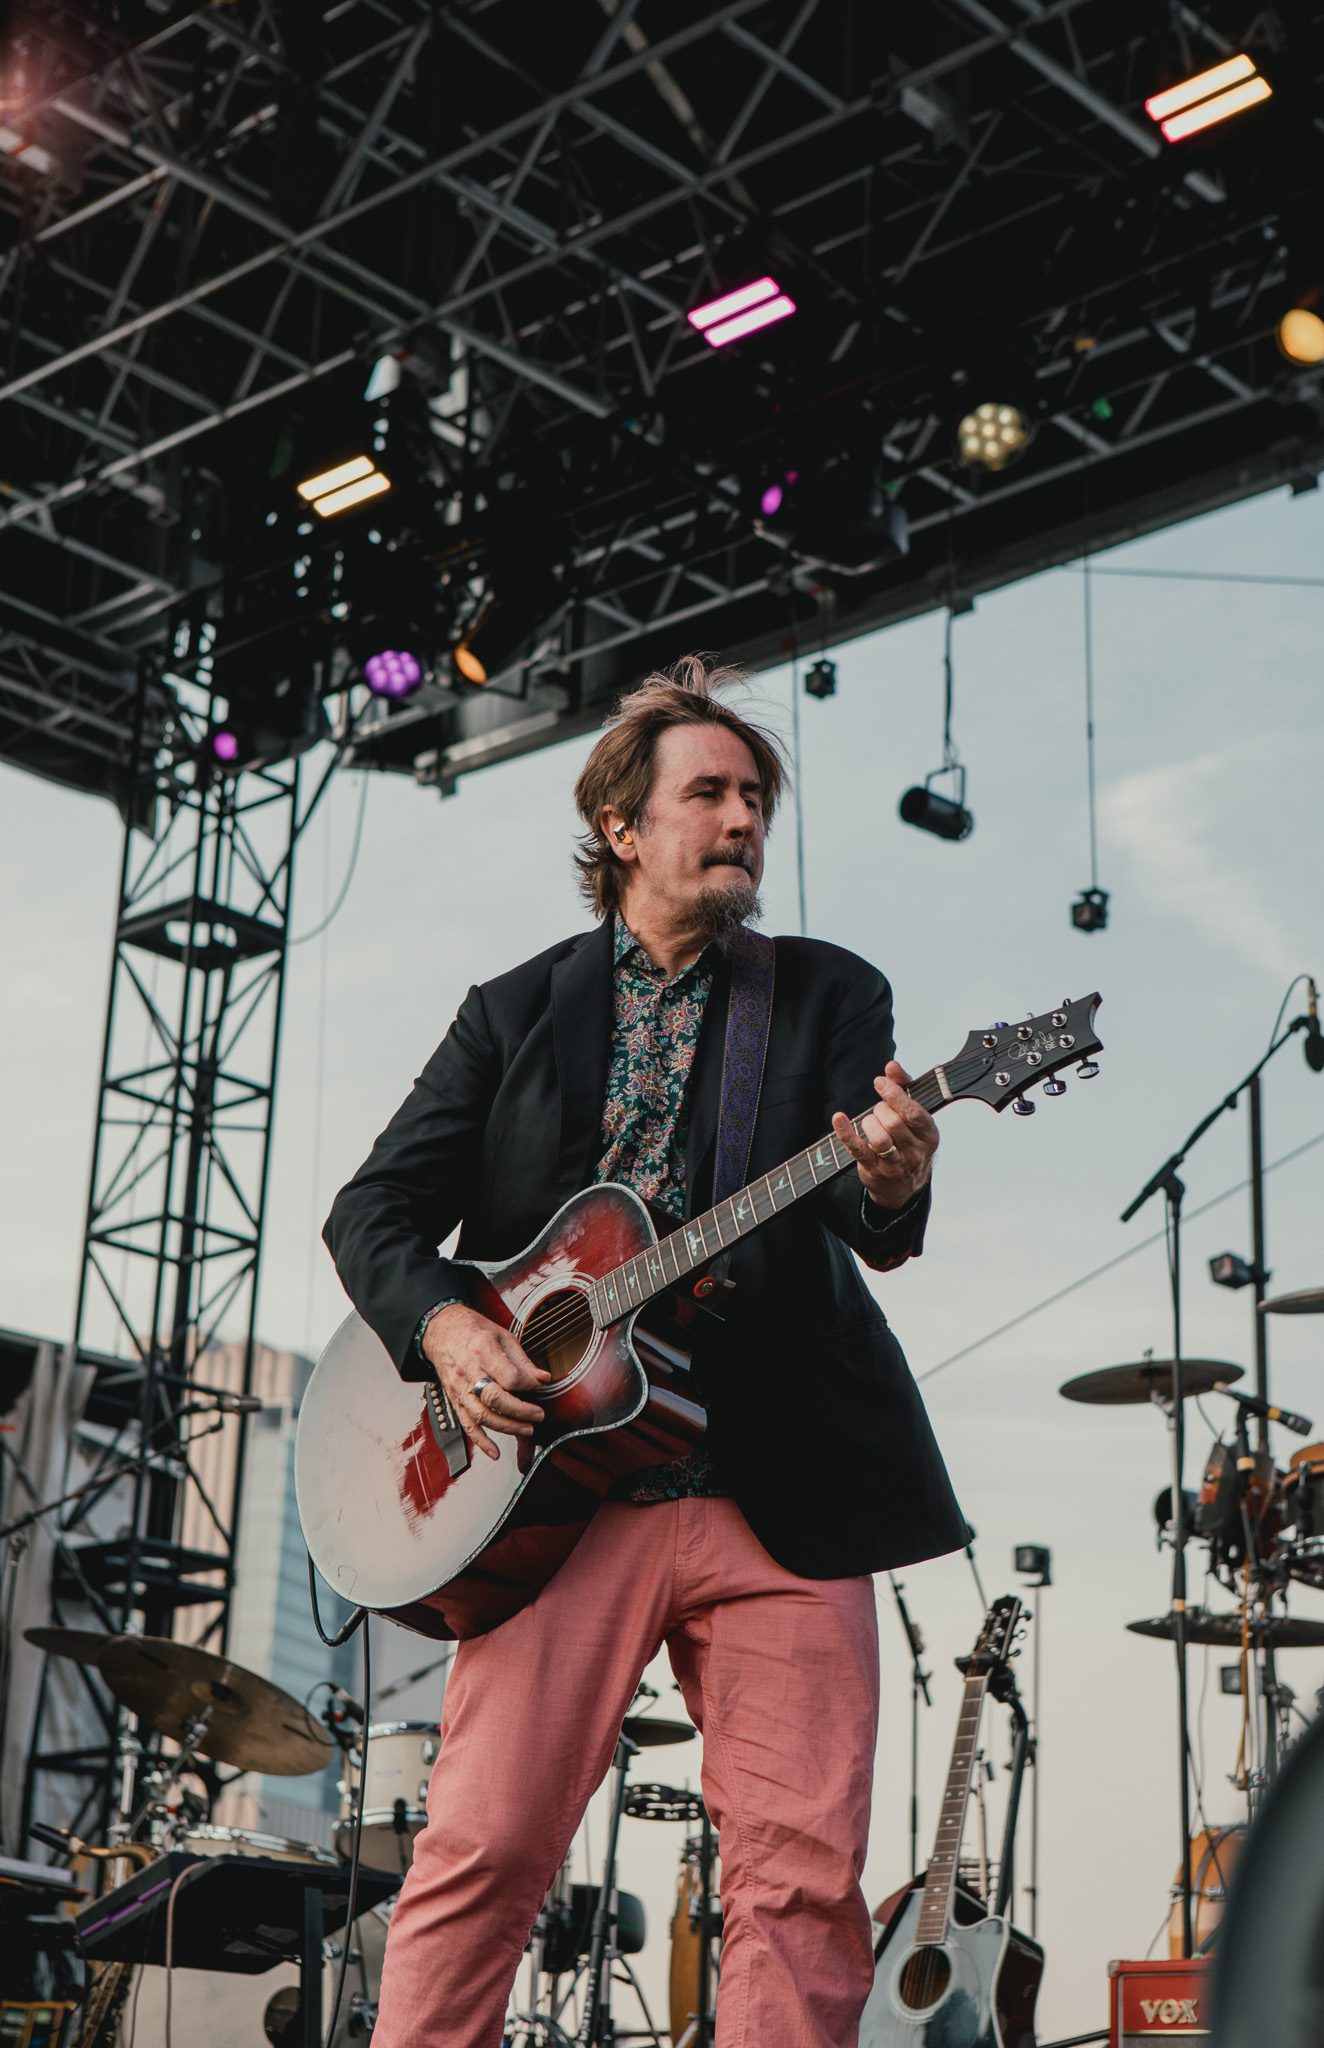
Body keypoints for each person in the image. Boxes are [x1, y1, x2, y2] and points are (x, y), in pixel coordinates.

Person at [323, 656, 967, 2048]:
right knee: (484, 1855)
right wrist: (444, 1327)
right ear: (622, 828)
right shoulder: (513, 1009)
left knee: (799, 1879)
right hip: (556, 1493)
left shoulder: (823, 991)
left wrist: (898, 1175)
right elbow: (371, 1210)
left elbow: (868, 1215)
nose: (740, 818)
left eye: (754, 798)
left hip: (780, 1483)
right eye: (708, 793)